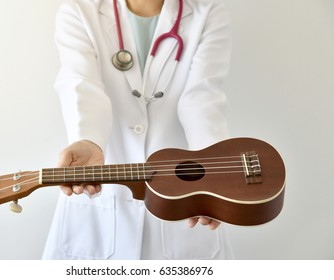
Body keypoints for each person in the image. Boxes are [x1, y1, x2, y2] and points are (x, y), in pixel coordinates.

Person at [42, 0, 234, 259]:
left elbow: (202, 99)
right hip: (99, 202)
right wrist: (88, 141)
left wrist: (211, 171)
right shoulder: (79, 10)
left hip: (183, 197)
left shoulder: (208, 12)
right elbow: (81, 86)